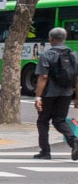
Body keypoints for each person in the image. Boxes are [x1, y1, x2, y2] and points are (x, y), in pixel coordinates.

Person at [32, 26, 78, 160]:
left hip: (49, 94)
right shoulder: (74, 54)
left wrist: (38, 97)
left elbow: (43, 77)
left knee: (43, 121)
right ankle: (73, 141)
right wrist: (76, 97)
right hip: (66, 93)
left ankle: (45, 151)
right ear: (64, 38)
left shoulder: (47, 55)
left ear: (51, 39)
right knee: (59, 120)